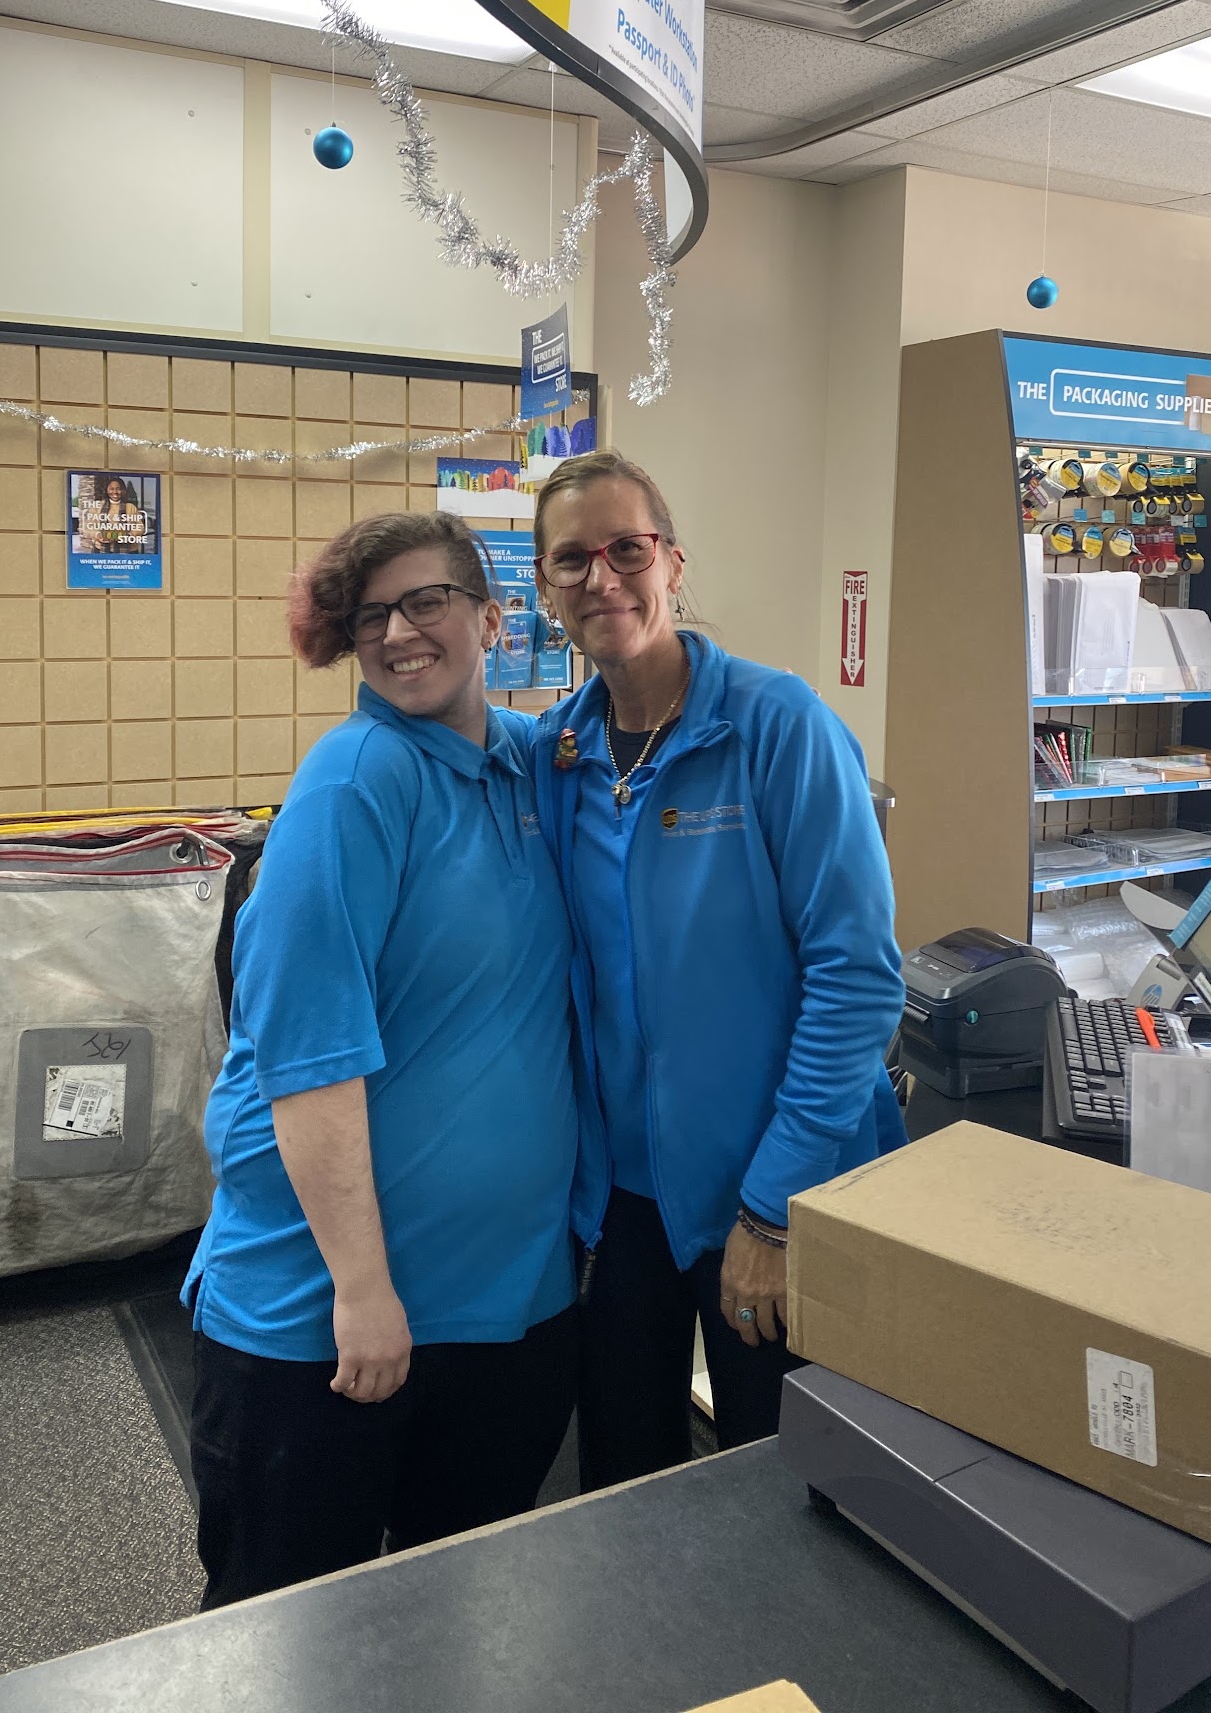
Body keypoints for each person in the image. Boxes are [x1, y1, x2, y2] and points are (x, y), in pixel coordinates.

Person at [183, 510, 579, 1608]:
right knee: (289, 1638)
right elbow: (307, 1061)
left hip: (504, 1304)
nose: (399, 633)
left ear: (491, 619)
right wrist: (362, 1290)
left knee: (453, 1627)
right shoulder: (353, 782)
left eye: (426, 601)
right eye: (371, 617)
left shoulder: (528, 766)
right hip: (328, 1316)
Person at [530, 452, 907, 1490]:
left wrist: (774, 1206)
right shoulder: (558, 753)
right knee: (627, 1490)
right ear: (545, 585)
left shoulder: (777, 726)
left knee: (781, 1496)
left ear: (673, 562)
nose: (603, 577)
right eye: (572, 558)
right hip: (624, 1207)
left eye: (628, 548)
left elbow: (857, 977)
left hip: (783, 1183)